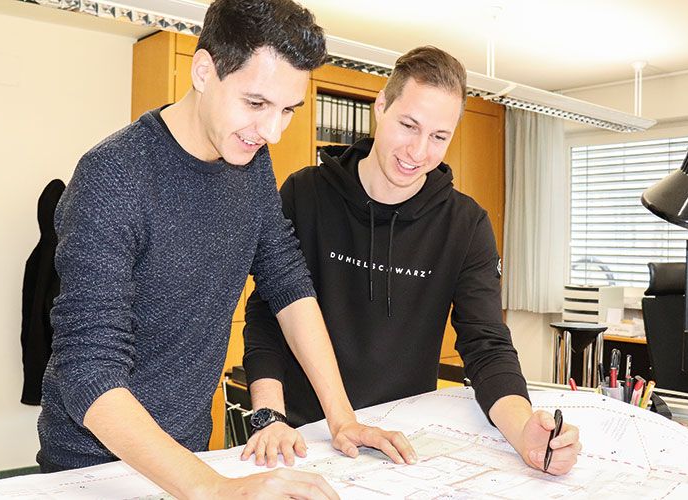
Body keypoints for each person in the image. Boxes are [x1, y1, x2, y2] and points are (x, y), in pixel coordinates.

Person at [37, 0, 413, 497]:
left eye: (287, 111)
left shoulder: (250, 160)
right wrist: (216, 490)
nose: (272, 131)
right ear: (203, 70)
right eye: (256, 104)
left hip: (193, 455)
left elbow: (286, 280)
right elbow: (89, 369)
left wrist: (341, 418)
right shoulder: (114, 176)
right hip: (94, 467)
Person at [242, 45, 582, 476]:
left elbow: (486, 344)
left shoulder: (465, 224)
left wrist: (522, 430)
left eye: (439, 137)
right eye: (408, 125)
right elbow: (268, 313)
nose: (418, 152)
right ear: (381, 107)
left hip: (398, 443)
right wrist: (270, 415)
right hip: (303, 434)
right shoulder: (304, 194)